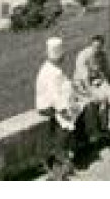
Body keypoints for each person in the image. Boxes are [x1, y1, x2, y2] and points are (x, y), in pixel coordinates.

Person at [34, 37, 77, 176]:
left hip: (49, 103)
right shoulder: (54, 72)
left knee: (71, 115)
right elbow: (54, 96)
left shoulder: (49, 67)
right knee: (66, 123)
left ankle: (63, 156)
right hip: (47, 105)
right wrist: (64, 109)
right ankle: (61, 157)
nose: (64, 57)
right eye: (63, 55)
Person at [72, 34, 110, 142]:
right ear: (91, 45)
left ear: (102, 46)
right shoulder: (83, 56)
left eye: (99, 47)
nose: (97, 50)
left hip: (97, 81)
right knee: (98, 101)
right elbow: (84, 79)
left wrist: (109, 87)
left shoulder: (102, 55)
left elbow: (107, 72)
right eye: (95, 47)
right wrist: (93, 94)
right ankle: (96, 132)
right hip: (82, 84)